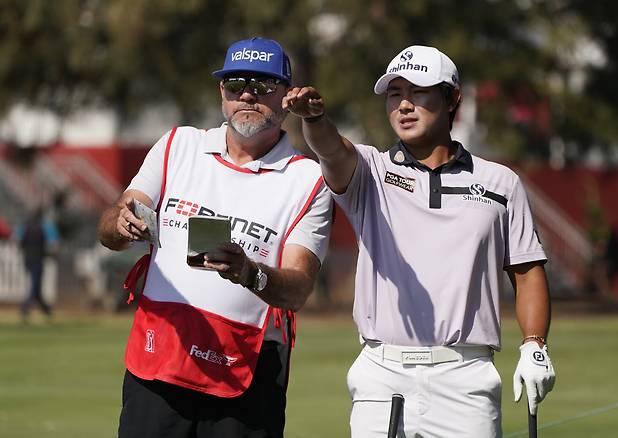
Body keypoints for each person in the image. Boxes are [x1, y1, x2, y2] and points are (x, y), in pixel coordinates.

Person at [284, 45, 555, 437]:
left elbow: (527, 271)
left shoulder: (500, 183)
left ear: (452, 99)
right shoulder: (371, 171)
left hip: (466, 377)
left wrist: (534, 345)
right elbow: (331, 149)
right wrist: (315, 118)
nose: (404, 105)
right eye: (395, 94)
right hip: (383, 374)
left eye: (419, 92)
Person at [98, 37, 332, 438]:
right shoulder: (178, 145)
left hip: (249, 370)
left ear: (285, 98)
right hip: (159, 361)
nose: (246, 94)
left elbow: (298, 289)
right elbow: (112, 225)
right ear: (221, 93)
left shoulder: (308, 178)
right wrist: (120, 226)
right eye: (234, 83)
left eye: (261, 86)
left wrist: (250, 272)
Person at [15, 204, 59, 323]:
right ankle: (25, 309)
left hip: (28, 259)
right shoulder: (45, 225)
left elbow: (17, 240)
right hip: (37, 259)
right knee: (35, 285)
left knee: (36, 286)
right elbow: (54, 243)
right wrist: (53, 253)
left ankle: (47, 311)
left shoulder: (25, 225)